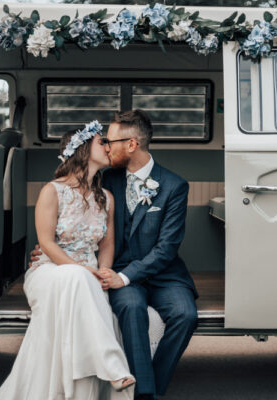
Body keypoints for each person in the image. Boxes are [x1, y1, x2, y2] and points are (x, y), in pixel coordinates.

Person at [32, 110, 199, 400]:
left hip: (163, 274)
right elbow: (78, 215)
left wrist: (123, 277)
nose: (107, 146)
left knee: (186, 315)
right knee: (132, 310)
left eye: (110, 141)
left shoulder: (174, 186)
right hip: (118, 271)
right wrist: (49, 247)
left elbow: (167, 248)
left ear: (131, 144)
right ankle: (143, 394)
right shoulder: (105, 180)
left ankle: (151, 386)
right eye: (103, 142)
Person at [0, 122, 135, 400]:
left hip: (88, 276)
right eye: (100, 143)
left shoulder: (106, 197)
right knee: (76, 277)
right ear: (82, 150)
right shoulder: (52, 191)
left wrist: (103, 271)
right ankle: (112, 365)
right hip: (50, 270)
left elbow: (107, 244)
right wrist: (82, 269)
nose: (108, 147)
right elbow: (46, 243)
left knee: (82, 280)